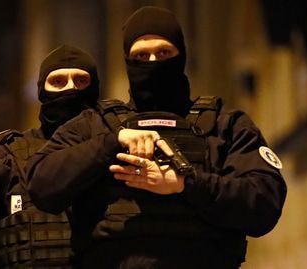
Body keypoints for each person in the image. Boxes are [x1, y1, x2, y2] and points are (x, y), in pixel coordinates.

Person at [26, 6, 287, 269]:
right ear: (127, 60)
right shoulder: (94, 125)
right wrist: (112, 142)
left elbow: (264, 203)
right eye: (141, 55)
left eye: (163, 52)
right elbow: (42, 185)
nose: (152, 63)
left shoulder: (224, 125)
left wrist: (186, 184)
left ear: (181, 55)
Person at [0, 44, 100, 269]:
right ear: (42, 92)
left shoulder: (116, 155)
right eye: (58, 82)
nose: (70, 89)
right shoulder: (1, 164)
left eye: (81, 81)